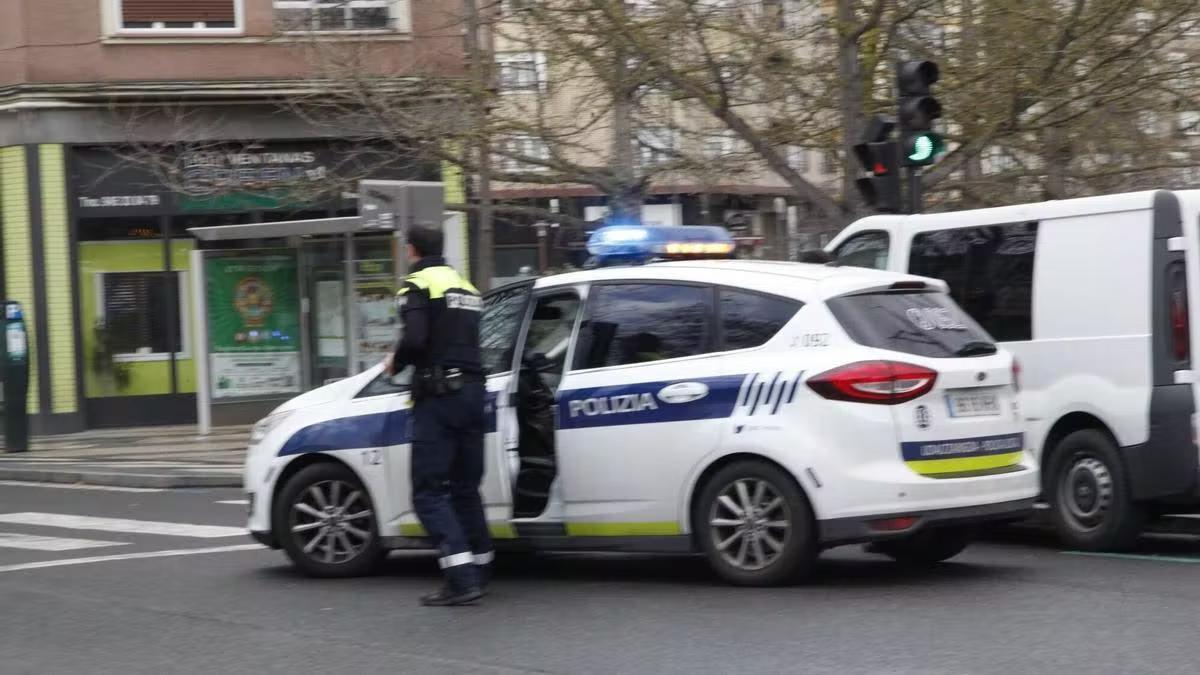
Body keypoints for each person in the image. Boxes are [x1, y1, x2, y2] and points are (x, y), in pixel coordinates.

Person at [386, 225, 491, 606]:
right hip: (474, 394)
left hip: (440, 398)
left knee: (429, 493)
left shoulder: (417, 284)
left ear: (410, 249)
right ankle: (480, 568)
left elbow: (415, 339)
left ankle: (461, 579)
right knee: (466, 488)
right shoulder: (466, 287)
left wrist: (394, 363)